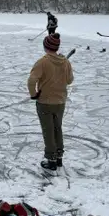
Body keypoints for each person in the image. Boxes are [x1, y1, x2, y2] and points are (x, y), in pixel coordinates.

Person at [27, 33, 74, 174]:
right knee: (57, 128)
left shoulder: (42, 62)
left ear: (46, 46)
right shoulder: (65, 62)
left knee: (48, 131)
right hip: (60, 102)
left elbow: (31, 81)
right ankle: (59, 156)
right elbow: (70, 80)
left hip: (45, 102)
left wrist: (33, 94)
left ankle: (51, 159)